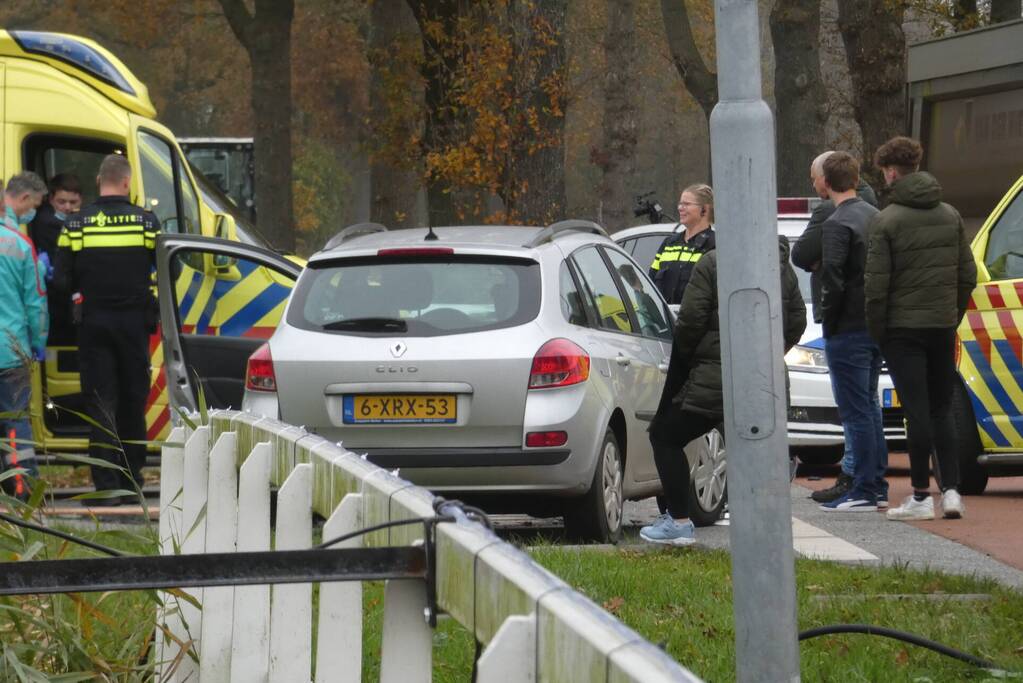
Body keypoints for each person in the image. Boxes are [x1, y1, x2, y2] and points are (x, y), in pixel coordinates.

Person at [641, 236, 807, 544]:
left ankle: (678, 521)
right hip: (766, 376)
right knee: (752, 442)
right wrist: (772, 351)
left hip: (717, 375)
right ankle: (767, 522)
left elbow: (690, 320)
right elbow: (797, 318)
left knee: (665, 435)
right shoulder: (781, 266)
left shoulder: (713, 263)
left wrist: (691, 359)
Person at [865, 136, 977, 521]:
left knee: (916, 410)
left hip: (901, 329)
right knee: (943, 406)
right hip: (941, 326)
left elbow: (876, 287)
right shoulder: (950, 215)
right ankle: (951, 491)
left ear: (892, 172)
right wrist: (951, 314)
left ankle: (918, 495)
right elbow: (968, 275)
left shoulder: (887, 220)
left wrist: (878, 331)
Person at [53, 154, 160, 505]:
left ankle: (106, 487)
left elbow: (62, 278)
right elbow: (162, 272)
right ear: (127, 183)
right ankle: (132, 484)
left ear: (100, 181)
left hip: (94, 324)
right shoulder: (146, 223)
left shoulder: (76, 224)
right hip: (133, 325)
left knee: (101, 403)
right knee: (133, 402)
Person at [791, 151, 884, 505]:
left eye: (816, 179)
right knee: (870, 407)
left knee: (855, 410)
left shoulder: (834, 222)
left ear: (826, 183)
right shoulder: (875, 217)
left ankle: (862, 488)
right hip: (874, 323)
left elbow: (832, 277)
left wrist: (828, 321)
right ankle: (875, 485)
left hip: (846, 328)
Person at [0, 172, 49, 497]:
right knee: (16, 422)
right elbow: (36, 304)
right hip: (10, 349)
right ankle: (22, 491)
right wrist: (38, 342)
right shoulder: (19, 245)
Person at [30, 173, 83, 344]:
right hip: (56, 299)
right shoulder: (46, 223)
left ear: (81, 200)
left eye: (73, 202)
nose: (67, 207)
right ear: (50, 200)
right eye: (61, 202)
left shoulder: (79, 221)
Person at [648, 184, 716, 305]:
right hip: (666, 321)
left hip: (696, 322)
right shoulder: (669, 244)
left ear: (704, 209)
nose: (680, 208)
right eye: (680, 203)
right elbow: (650, 284)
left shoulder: (714, 245)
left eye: (687, 204)